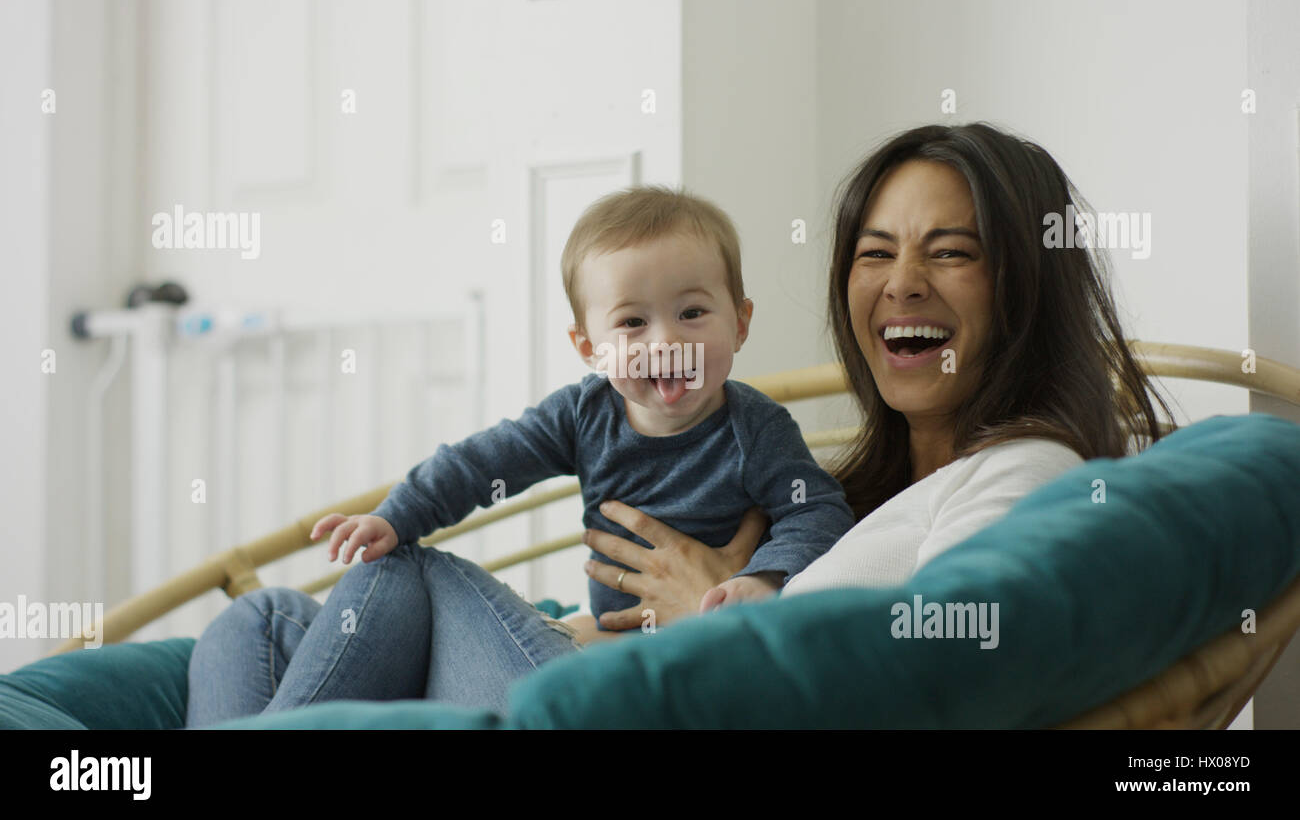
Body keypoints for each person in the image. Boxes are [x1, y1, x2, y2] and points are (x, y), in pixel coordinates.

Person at [186, 122, 1170, 728]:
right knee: (260, 619)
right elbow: (489, 457)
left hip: (623, 708)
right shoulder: (867, 487)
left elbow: (937, 674)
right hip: (589, 662)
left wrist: (728, 598)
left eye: (949, 250)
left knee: (403, 569)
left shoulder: (1024, 473)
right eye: (874, 250)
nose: (900, 279)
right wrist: (578, 621)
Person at [305, 186, 856, 636]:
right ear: (589, 347)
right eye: (632, 323)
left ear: (739, 322)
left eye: (692, 312)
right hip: (614, 633)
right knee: (411, 576)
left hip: (708, 637)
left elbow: (818, 510)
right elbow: (479, 464)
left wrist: (764, 580)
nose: (664, 341)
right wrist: (395, 516)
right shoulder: (582, 415)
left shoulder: (755, 429)